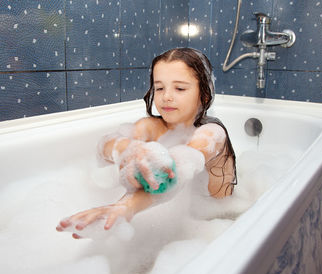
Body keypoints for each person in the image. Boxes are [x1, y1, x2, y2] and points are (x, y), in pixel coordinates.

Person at [56, 48, 236, 238]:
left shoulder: (212, 134)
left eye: (180, 88)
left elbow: (177, 169)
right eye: (159, 88)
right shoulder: (151, 127)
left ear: (204, 96)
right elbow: (106, 145)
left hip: (219, 217)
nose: (166, 96)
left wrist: (125, 207)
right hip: (180, 213)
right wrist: (130, 149)